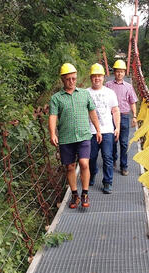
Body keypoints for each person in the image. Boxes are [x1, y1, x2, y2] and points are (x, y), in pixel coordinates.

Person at [49, 63, 102, 209]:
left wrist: (98, 129)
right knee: (70, 167)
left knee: (84, 163)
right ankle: (74, 194)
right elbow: (53, 116)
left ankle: (85, 193)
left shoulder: (85, 94)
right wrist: (52, 133)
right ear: (62, 80)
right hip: (66, 137)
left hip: (84, 135)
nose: (71, 81)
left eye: (73, 78)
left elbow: (92, 112)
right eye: (68, 79)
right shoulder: (56, 98)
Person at [87, 63, 120, 194]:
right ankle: (93, 172)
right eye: (94, 76)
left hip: (107, 130)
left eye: (99, 76)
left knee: (107, 156)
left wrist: (117, 127)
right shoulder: (85, 93)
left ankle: (107, 182)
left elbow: (115, 110)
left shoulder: (110, 93)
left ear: (103, 77)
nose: (97, 78)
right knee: (91, 157)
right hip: (90, 131)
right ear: (91, 78)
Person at [105, 59, 138, 176]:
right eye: (117, 71)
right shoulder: (108, 85)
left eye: (122, 72)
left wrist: (134, 116)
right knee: (112, 141)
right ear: (114, 72)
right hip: (111, 116)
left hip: (124, 116)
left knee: (124, 143)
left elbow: (132, 102)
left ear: (124, 73)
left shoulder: (128, 87)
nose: (119, 74)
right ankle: (113, 159)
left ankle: (123, 166)